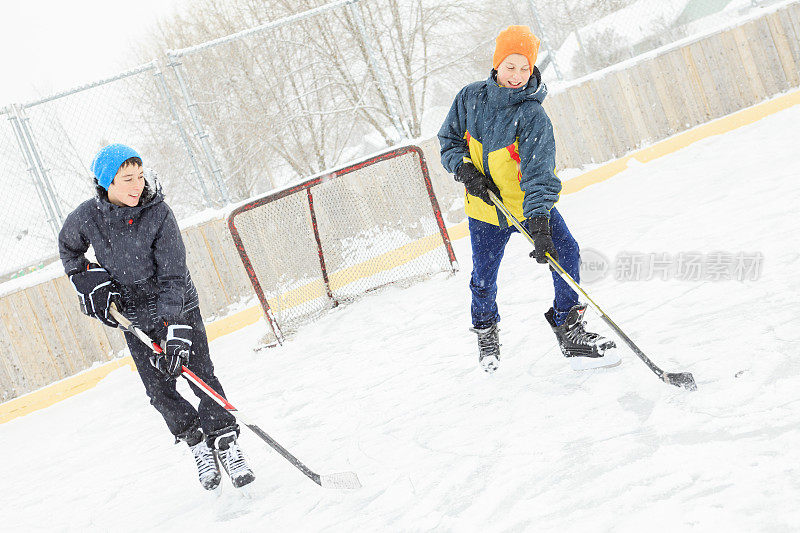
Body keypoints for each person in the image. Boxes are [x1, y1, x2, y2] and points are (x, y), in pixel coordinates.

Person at [58, 144, 255, 490]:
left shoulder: (159, 213)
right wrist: (91, 281)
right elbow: (69, 249)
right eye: (127, 179)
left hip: (178, 303)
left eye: (140, 176)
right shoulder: (87, 217)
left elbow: (173, 275)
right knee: (159, 390)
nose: (137, 185)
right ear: (107, 184)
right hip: (132, 315)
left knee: (200, 375)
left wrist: (174, 327)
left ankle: (225, 440)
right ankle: (196, 441)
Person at [438, 25, 620, 373]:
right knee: (484, 275)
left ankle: (569, 327)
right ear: (497, 64)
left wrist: (538, 220)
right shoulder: (470, 98)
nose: (517, 76)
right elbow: (448, 140)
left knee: (566, 252)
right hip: (485, 209)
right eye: (510, 66)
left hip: (526, 205)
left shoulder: (533, 115)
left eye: (525, 69)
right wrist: (463, 169)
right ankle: (486, 330)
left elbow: (540, 173)